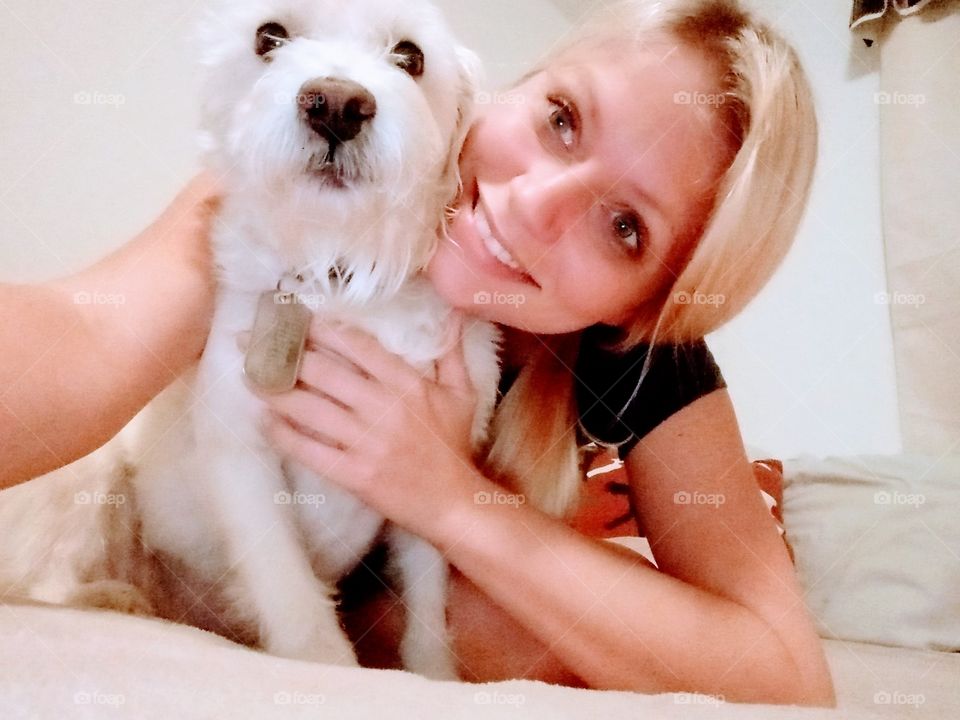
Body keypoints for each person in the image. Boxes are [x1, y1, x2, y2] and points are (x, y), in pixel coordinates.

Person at [0, 0, 834, 706]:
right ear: (500, 91)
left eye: (626, 228)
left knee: (506, 633)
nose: (531, 206)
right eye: (562, 120)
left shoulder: (640, 356)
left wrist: (446, 497)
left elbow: (784, 676)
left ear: (646, 310)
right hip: (202, 556)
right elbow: (89, 336)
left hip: (386, 596)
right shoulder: (286, 201)